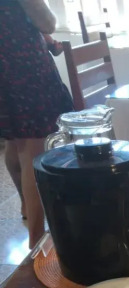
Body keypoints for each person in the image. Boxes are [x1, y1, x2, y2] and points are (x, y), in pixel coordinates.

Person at [0, 0, 74, 247]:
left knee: (14, 142)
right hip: (22, 68)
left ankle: (25, 205)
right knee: (33, 153)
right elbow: (47, 22)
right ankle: (36, 240)